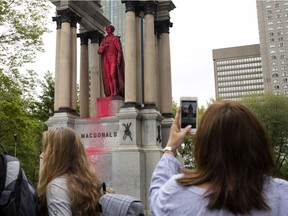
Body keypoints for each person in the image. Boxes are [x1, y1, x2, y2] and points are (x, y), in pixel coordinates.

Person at [149, 101, 288, 215]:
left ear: (204, 146)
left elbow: (155, 199)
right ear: (258, 142)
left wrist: (170, 148)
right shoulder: (282, 194)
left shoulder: (175, 194)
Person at [37, 127, 102, 216]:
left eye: (46, 150)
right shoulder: (87, 181)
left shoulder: (57, 187)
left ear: (56, 155)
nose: (41, 155)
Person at [98, 24, 125, 98]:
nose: (108, 29)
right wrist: (103, 47)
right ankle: (110, 93)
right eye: (107, 28)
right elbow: (99, 51)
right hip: (106, 59)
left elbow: (119, 50)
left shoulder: (115, 38)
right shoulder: (104, 40)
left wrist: (119, 59)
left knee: (113, 75)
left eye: (109, 28)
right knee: (108, 76)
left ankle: (115, 92)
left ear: (112, 29)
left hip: (113, 58)